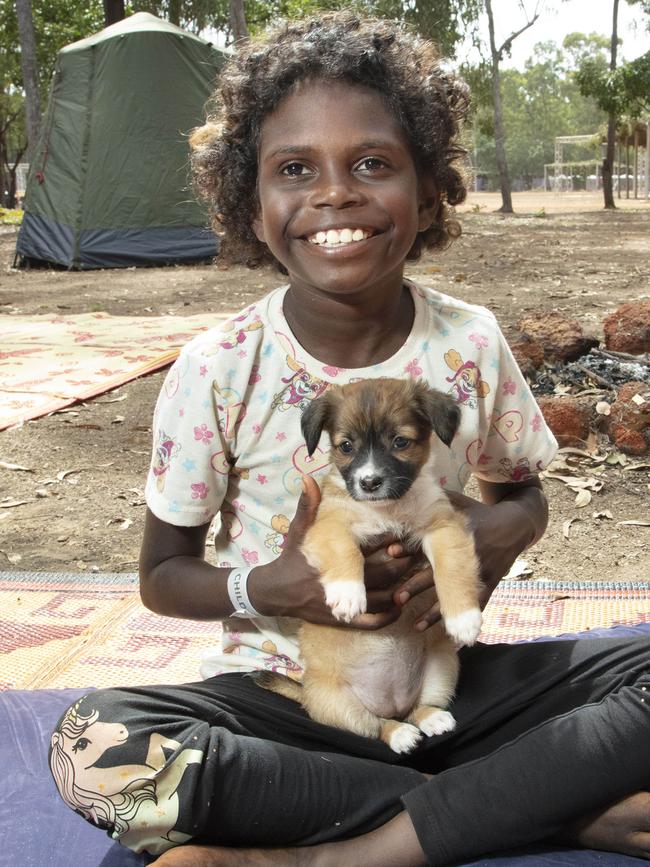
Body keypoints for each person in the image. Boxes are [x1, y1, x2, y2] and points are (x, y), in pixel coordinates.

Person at [49, 13, 650, 866]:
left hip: (445, 676)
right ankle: (538, 805)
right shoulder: (218, 368)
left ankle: (342, 848)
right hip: (298, 703)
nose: (335, 193)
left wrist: (489, 534)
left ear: (432, 189)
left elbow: (523, 496)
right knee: (92, 748)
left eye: (373, 163)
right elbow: (162, 577)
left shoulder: (470, 341)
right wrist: (278, 586)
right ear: (250, 208)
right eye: (295, 169)